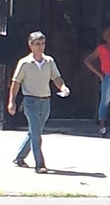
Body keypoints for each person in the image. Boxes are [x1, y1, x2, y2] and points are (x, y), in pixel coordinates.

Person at [7, 31, 70, 173]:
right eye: (37, 44)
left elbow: (56, 77)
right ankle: (39, 164)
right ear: (30, 45)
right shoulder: (24, 63)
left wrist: (63, 87)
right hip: (30, 101)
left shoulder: (49, 61)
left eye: (43, 44)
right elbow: (16, 82)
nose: (41, 47)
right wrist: (11, 101)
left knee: (35, 131)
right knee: (36, 134)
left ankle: (19, 157)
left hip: (45, 101)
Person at [83, 28, 110, 136]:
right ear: (107, 39)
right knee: (105, 101)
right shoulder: (101, 49)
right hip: (108, 76)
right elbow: (87, 60)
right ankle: (102, 126)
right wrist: (99, 74)